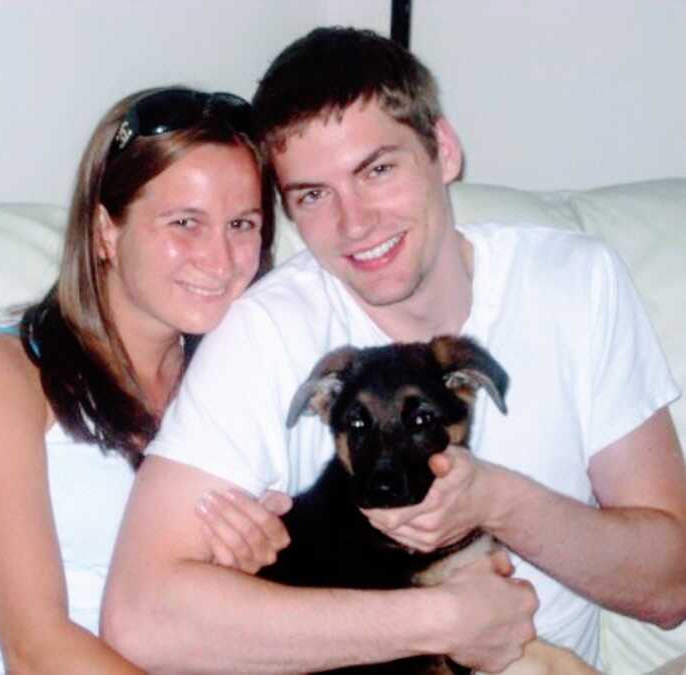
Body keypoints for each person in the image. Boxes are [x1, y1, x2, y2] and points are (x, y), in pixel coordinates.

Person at [101, 27, 686, 673]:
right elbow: (141, 616)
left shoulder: (575, 282)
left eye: (377, 170)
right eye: (314, 195)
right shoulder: (267, 332)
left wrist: (497, 501)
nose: (355, 223)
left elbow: (673, 585)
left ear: (444, 149)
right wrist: (445, 620)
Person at [0, 86, 293, 675]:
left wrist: (248, 578)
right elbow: (34, 649)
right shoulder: (0, 375)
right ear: (105, 229)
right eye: (185, 222)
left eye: (242, 224)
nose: (221, 258)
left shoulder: (239, 393)